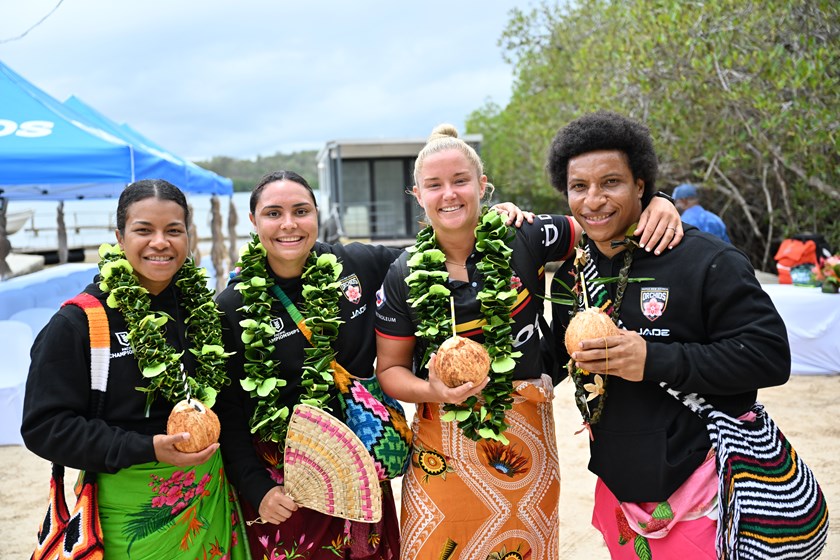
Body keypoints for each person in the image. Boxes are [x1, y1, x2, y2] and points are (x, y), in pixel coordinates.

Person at [373, 123, 683, 559]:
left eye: (461, 181)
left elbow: (600, 222)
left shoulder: (526, 233)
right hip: (441, 443)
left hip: (525, 436)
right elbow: (389, 371)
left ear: (483, 185)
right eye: (434, 185)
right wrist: (432, 390)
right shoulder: (403, 273)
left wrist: (660, 204)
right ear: (416, 195)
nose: (450, 195)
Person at [546, 111, 790, 558]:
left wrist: (654, 360)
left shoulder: (705, 260)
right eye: (579, 187)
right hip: (620, 493)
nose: (593, 200)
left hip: (705, 494)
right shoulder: (572, 276)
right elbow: (550, 360)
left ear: (642, 185)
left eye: (611, 183)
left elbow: (770, 356)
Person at [21, 179, 249, 559]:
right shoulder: (79, 323)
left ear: (188, 238)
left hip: (209, 502)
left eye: (173, 231)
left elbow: (228, 406)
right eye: (144, 230)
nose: (160, 242)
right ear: (119, 237)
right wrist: (147, 448)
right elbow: (45, 428)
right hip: (126, 514)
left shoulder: (202, 313)